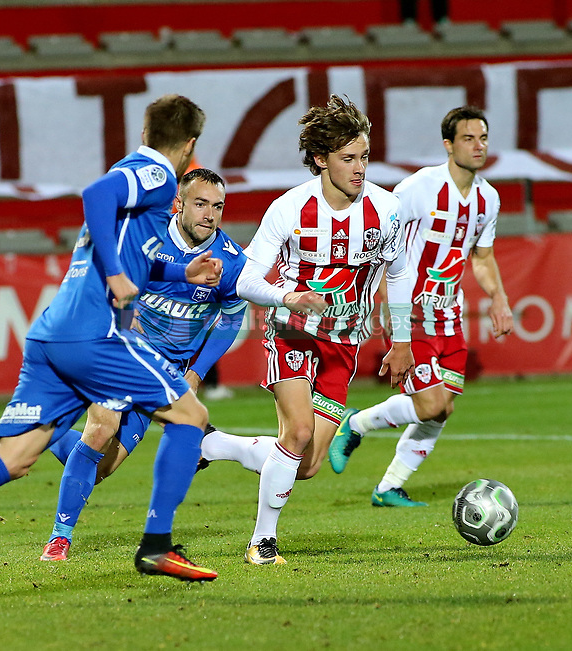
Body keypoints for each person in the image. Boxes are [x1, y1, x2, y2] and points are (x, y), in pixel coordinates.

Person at [0, 94, 221, 611]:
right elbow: (95, 196)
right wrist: (114, 275)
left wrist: (180, 272)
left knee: (15, 458)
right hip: (95, 334)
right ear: (191, 144)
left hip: (51, 334)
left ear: (146, 129)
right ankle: (155, 545)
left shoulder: (135, 172)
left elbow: (129, 252)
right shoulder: (153, 175)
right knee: (191, 416)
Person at [198, 95, 414, 566]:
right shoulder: (289, 208)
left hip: (346, 340)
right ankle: (262, 542)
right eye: (348, 158)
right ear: (320, 159)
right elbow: (245, 277)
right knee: (296, 432)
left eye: (364, 157)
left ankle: (215, 444)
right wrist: (286, 296)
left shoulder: (388, 209)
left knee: (308, 464)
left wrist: (401, 342)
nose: (359, 169)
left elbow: (398, 273)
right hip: (292, 329)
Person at [40, 168, 246, 562]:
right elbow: (101, 281)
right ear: (178, 204)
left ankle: (49, 432)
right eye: (200, 204)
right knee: (101, 431)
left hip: (165, 375)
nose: (210, 215)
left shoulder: (231, 262)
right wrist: (120, 317)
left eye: (217, 206)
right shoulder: (143, 241)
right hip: (121, 354)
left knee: (100, 466)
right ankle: (59, 539)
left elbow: (232, 320)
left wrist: (196, 372)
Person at [328, 105, 513, 507]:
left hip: (450, 314)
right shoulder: (418, 188)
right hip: (411, 312)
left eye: (483, 138)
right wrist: (378, 300)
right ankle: (355, 422)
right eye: (468, 138)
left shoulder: (488, 199)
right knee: (429, 403)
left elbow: (481, 257)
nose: (478, 146)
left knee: (441, 410)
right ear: (448, 145)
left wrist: (498, 297)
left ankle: (388, 487)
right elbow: (380, 240)